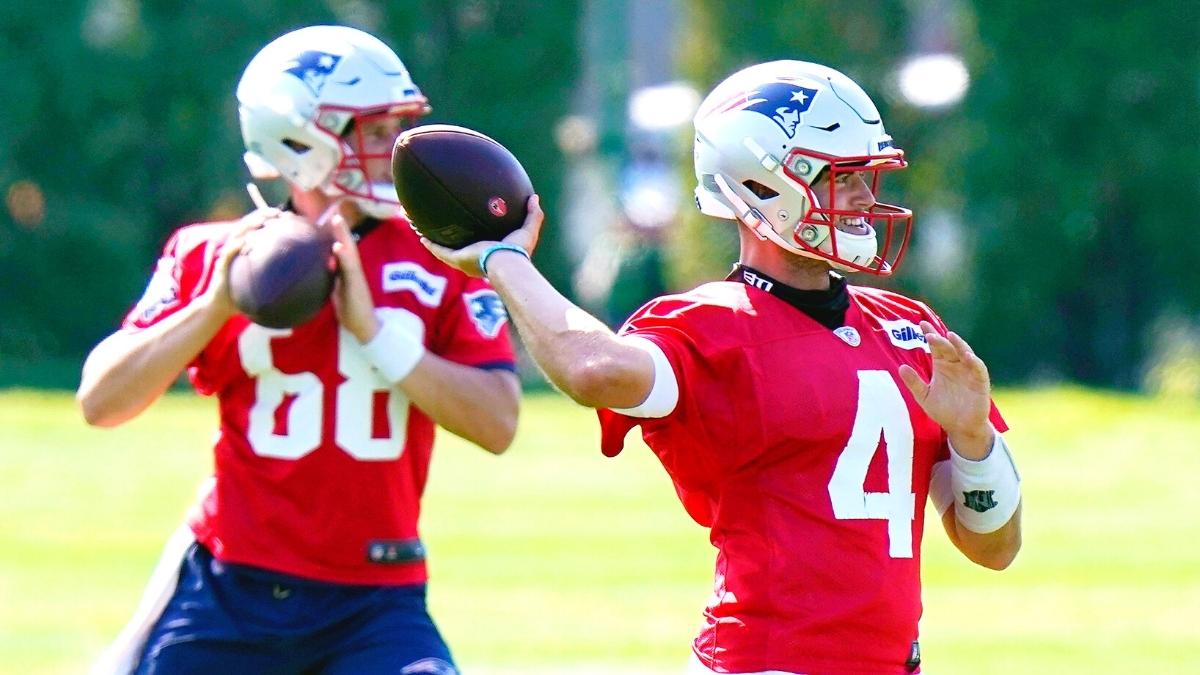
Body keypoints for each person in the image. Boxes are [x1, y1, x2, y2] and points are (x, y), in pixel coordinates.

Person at [427, 60, 1023, 675]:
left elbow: (996, 548)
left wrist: (973, 439)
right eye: (841, 178)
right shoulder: (711, 324)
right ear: (762, 185)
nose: (866, 199)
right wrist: (506, 262)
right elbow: (594, 370)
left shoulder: (907, 327)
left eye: (865, 176)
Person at [78, 25, 520, 675]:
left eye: (394, 127)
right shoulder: (217, 254)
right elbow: (100, 401)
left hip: (376, 599)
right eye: (371, 132)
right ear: (300, 141)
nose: (392, 149)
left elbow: (498, 421)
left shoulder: (441, 256)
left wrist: (378, 337)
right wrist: (214, 306)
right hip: (229, 586)